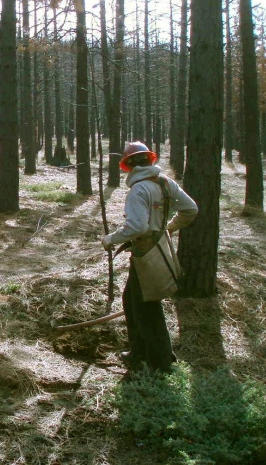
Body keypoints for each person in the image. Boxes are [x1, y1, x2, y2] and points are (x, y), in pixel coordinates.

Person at [102, 141, 198, 373]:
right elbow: (191, 209)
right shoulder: (165, 183)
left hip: (145, 252)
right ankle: (143, 351)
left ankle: (158, 361)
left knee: (145, 305)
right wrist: (170, 228)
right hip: (160, 247)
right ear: (148, 160)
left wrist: (110, 239)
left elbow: (136, 227)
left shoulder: (138, 191)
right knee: (133, 299)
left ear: (129, 165)